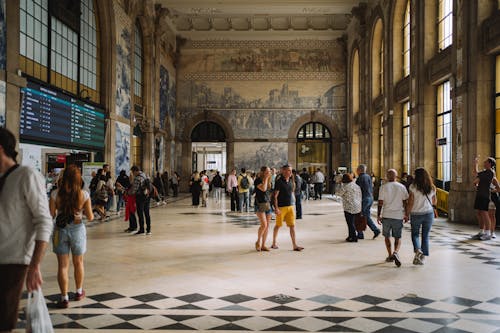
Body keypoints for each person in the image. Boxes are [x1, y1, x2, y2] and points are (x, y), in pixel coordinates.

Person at [0, 128, 53, 332]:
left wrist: (34, 265)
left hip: (12, 262)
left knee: (4, 321)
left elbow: (44, 221)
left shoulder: (26, 175)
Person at [49, 164, 94, 308]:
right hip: (78, 230)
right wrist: (79, 214)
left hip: (60, 230)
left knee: (63, 266)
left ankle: (64, 298)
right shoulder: (84, 194)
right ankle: (79, 292)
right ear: (78, 178)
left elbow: (52, 214)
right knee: (78, 262)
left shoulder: (55, 194)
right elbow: (91, 217)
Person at [377, 169, 409, 267]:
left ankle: (390, 255)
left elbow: (380, 202)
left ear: (387, 176)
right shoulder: (402, 187)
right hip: (398, 216)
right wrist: (406, 214)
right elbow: (405, 202)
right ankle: (396, 252)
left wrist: (379, 215)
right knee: (397, 237)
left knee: (387, 236)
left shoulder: (383, 187)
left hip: (387, 215)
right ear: (396, 176)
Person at [405, 168, 436, 265]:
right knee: (425, 235)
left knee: (415, 234)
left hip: (416, 213)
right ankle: (422, 257)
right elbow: (434, 201)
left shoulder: (413, 187)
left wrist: (407, 214)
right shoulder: (432, 187)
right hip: (428, 213)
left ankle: (418, 250)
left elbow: (410, 202)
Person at [271, 164, 304, 251]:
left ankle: (294, 245)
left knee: (292, 226)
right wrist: (276, 208)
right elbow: (275, 196)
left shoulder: (290, 181)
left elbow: (292, 192)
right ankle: (273, 243)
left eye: (290, 171)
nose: (289, 172)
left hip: (290, 207)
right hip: (281, 207)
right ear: (283, 171)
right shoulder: (279, 182)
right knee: (278, 225)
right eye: (287, 170)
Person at [472, 157, 500, 240]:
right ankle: (482, 231)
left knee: (487, 214)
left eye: (485, 162)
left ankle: (489, 233)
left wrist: (492, 191)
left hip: (486, 196)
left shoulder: (490, 173)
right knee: (480, 213)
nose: (484, 163)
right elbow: (476, 176)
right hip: (480, 194)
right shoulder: (485, 172)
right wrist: (475, 164)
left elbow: (476, 175)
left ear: (490, 164)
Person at [356, 164, 381, 239]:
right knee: (366, 216)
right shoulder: (368, 176)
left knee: (358, 216)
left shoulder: (360, 178)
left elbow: (357, 190)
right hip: (370, 198)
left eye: (357, 169)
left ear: (359, 170)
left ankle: (360, 234)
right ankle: (375, 230)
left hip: (364, 199)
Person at [337, 173, 362, 242]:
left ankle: (354, 237)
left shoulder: (345, 187)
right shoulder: (356, 186)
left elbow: (338, 193)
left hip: (349, 207)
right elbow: (360, 195)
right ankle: (350, 236)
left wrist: (339, 185)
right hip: (357, 206)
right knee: (353, 222)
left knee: (350, 223)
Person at [130, 166, 152, 235]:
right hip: (147, 196)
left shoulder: (137, 178)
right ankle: (148, 230)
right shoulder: (145, 175)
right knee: (147, 213)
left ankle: (142, 230)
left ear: (135, 171)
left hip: (140, 197)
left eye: (133, 172)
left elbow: (134, 190)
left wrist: (128, 192)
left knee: (140, 213)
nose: (133, 174)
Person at [255, 166, 272, 251]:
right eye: (267, 172)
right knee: (264, 225)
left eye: (269, 171)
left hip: (267, 204)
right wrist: (265, 178)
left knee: (267, 226)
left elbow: (269, 192)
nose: (269, 173)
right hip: (259, 204)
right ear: (262, 172)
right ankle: (258, 242)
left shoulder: (268, 180)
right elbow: (264, 189)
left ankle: (263, 245)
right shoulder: (257, 180)